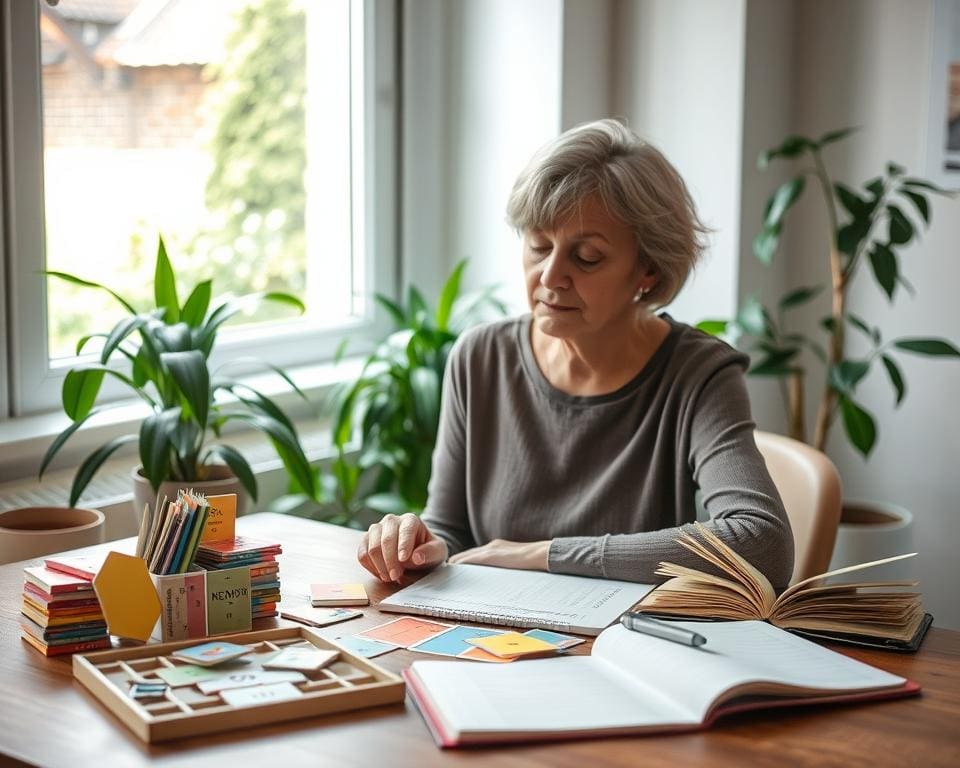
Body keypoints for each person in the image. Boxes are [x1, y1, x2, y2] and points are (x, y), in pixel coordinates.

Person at [357, 118, 794, 591]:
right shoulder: (479, 358)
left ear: (647, 269)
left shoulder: (698, 375)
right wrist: (424, 546)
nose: (550, 277)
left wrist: (549, 555)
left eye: (586, 257)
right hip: (494, 646)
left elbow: (761, 542)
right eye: (539, 246)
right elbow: (453, 531)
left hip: (625, 648)